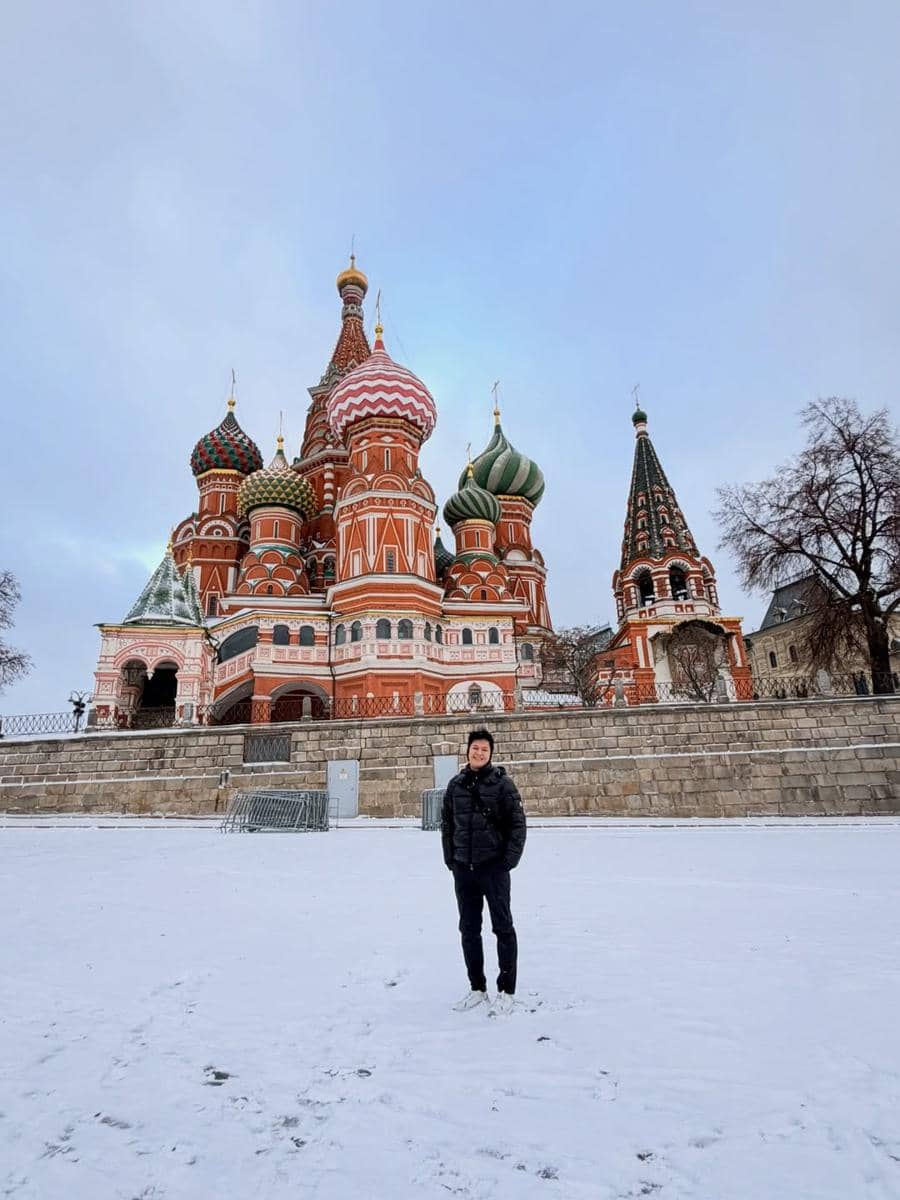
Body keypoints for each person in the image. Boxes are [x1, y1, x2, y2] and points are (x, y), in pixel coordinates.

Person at [441, 728, 527, 1014]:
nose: (479, 753)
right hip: (464, 869)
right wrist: (451, 860)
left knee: (502, 928)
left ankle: (507, 990)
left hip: (494, 868)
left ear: (491, 754)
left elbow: (518, 825)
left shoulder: (503, 785)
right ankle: (477, 987)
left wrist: (508, 862)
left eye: (484, 750)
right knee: (468, 929)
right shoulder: (455, 785)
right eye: (475, 748)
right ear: (467, 750)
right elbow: (448, 825)